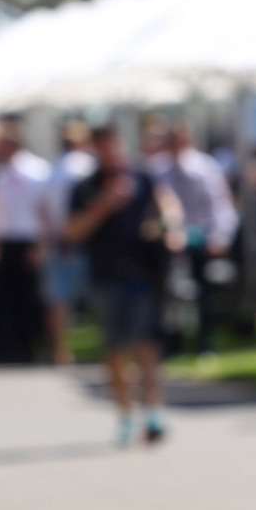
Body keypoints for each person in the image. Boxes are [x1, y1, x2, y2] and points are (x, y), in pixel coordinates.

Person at [66, 126, 183, 446]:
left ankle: (154, 413)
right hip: (106, 277)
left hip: (143, 274)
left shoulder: (141, 178)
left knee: (147, 345)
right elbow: (72, 232)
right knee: (116, 350)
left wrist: (171, 227)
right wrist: (104, 205)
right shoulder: (86, 187)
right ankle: (125, 413)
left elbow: (167, 203)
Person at [151, 121, 240, 354]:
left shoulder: (205, 167)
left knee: (205, 293)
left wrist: (220, 236)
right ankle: (173, 343)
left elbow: (220, 205)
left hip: (202, 238)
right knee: (171, 293)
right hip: (171, 242)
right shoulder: (157, 169)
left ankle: (205, 343)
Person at [0, 120, 50, 362]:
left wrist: (41, 245)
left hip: (28, 241)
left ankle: (30, 347)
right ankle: (9, 348)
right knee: (5, 298)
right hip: (6, 242)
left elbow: (44, 211)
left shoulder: (38, 171)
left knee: (29, 298)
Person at [39, 120, 97, 366]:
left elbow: (41, 208)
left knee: (58, 301)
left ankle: (60, 352)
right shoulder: (87, 166)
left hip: (57, 240)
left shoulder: (52, 169)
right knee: (96, 297)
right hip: (84, 238)